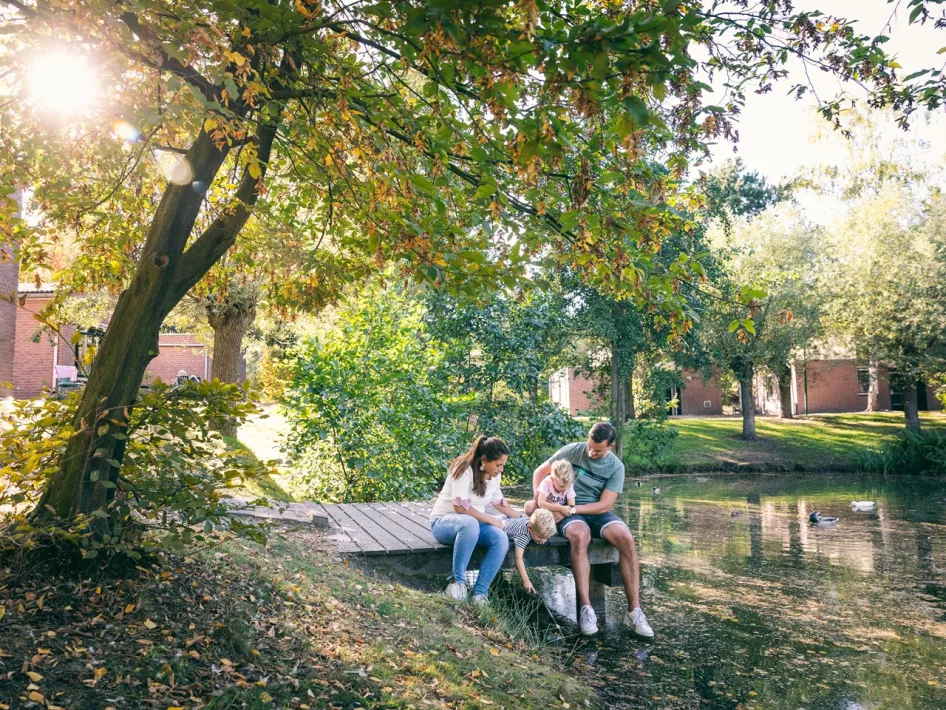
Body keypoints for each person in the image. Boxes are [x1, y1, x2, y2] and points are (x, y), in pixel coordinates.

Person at [532, 422, 653, 638]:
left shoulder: (616, 468)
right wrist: (541, 504)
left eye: (598, 450)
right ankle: (586, 609)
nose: (591, 452)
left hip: (592, 510)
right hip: (566, 510)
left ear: (611, 446)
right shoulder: (573, 450)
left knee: (626, 538)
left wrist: (572, 509)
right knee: (580, 535)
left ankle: (634, 611)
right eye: (590, 446)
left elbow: (605, 505)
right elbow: (539, 472)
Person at [429, 436, 522, 605]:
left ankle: (480, 594)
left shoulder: (494, 476)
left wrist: (527, 519)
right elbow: (460, 509)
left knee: (500, 539)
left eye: (503, 465)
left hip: (473, 526)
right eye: (498, 465)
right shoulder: (463, 468)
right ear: (484, 459)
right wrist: (491, 519)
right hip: (444, 523)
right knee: (470, 523)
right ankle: (456, 583)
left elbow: (501, 504)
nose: (501, 469)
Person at [504, 508, 557, 594]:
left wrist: (541, 537)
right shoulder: (523, 535)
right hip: (501, 525)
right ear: (529, 528)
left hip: (510, 520)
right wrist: (526, 580)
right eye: (540, 537)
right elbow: (518, 558)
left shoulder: (532, 524)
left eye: (546, 538)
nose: (543, 541)